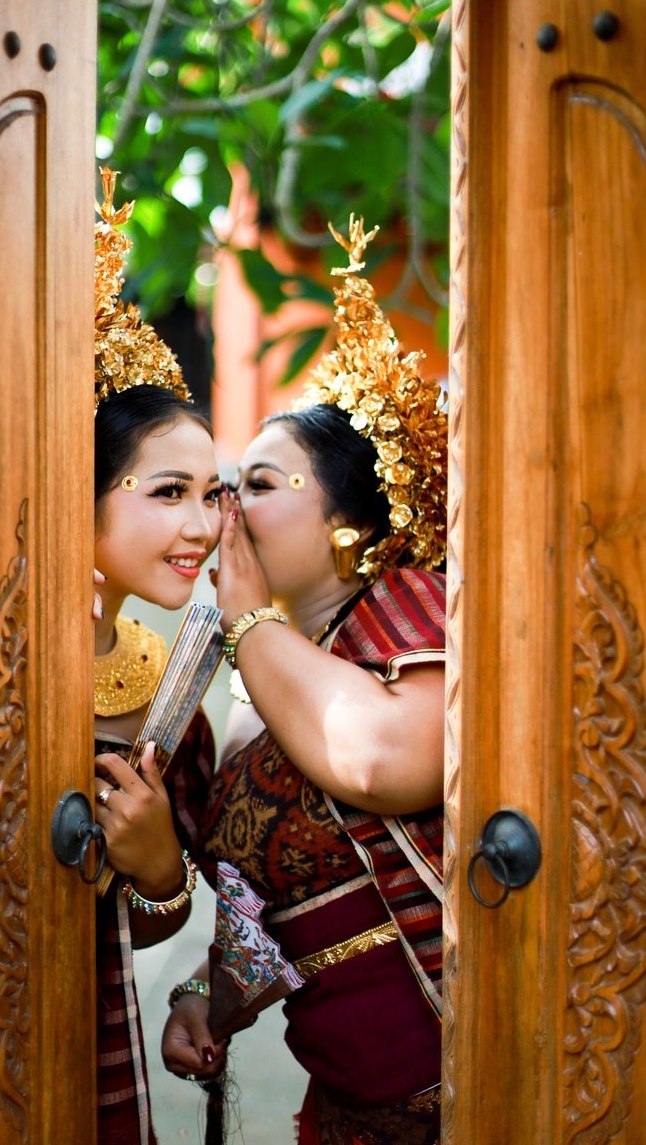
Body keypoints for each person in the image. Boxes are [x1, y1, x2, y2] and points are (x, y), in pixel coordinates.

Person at [161, 217, 448, 1145]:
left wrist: (246, 620)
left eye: (262, 481)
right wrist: (210, 998)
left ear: (346, 527)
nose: (229, 504)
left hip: (478, 1093)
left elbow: (385, 760)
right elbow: (268, 915)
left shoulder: (410, 609)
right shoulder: (256, 684)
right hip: (352, 1118)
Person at [91, 170, 222, 1145]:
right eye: (167, 492)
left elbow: (142, 927)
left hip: (87, 1042)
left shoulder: (164, 690)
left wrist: (157, 866)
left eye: (213, 496)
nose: (203, 526)